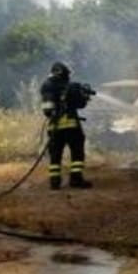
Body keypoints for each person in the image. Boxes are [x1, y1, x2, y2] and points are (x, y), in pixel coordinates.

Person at [40, 62, 94, 190]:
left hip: (54, 127)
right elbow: (80, 104)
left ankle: (54, 182)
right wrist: (85, 96)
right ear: (63, 73)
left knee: (55, 155)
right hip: (71, 126)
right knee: (77, 153)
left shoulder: (46, 86)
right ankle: (76, 180)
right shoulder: (71, 86)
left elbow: (47, 110)